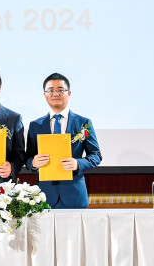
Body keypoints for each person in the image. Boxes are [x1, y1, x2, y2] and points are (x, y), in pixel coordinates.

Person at [26, 72, 102, 208]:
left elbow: (96, 155)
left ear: (69, 93)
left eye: (60, 90)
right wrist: (33, 163)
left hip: (74, 195)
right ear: (44, 95)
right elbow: (28, 157)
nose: (55, 94)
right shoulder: (35, 125)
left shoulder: (83, 123)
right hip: (45, 196)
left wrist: (78, 163)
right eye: (50, 90)